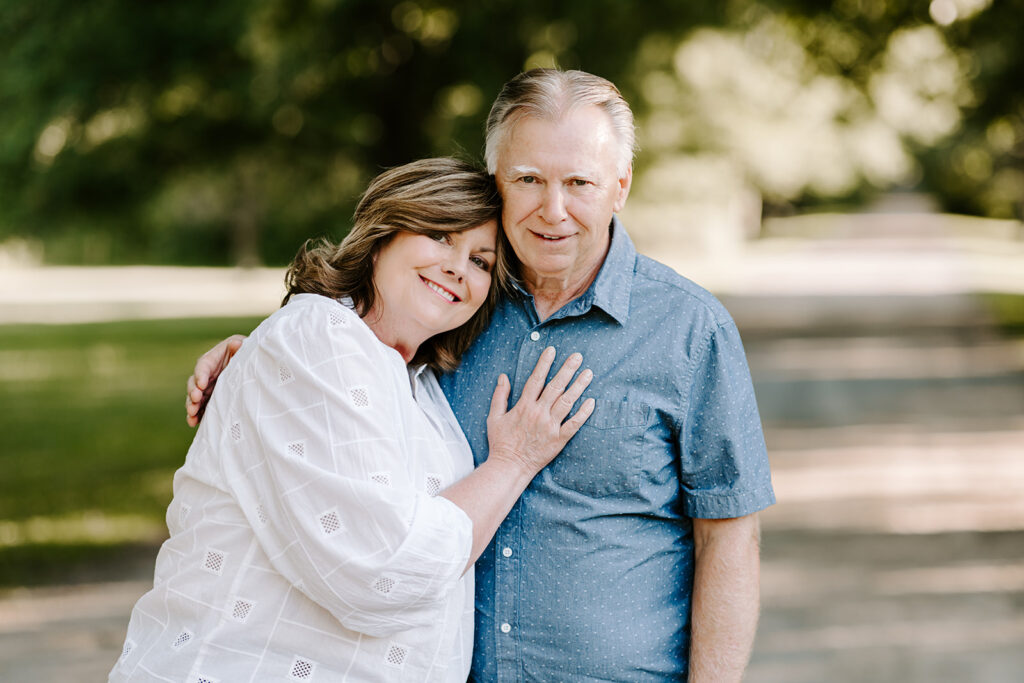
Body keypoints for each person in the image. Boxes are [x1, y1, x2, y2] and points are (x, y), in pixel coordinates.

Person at [188, 69, 775, 682]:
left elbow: (728, 535)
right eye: (528, 180)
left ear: (620, 186)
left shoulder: (688, 329)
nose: (554, 209)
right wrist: (252, 358)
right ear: (497, 184)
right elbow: (355, 359)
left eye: (580, 182)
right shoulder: (454, 303)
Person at [113, 157, 596, 682]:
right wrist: (514, 461)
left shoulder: (420, 386)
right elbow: (380, 572)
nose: (459, 266)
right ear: (384, 232)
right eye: (439, 235)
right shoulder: (316, 340)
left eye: (482, 262)